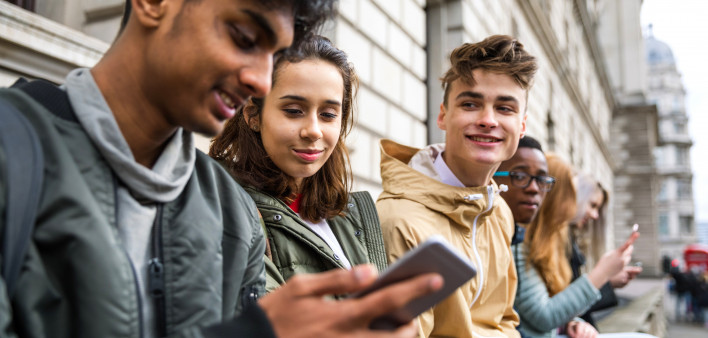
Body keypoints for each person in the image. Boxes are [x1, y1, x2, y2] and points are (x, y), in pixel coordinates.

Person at [0, 0, 443, 337]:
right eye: (244, 37)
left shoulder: (228, 207)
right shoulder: (13, 150)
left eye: (273, 55)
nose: (260, 81)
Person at [376, 35, 538, 338]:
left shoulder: (499, 210)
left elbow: (503, 321)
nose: (488, 120)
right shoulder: (400, 221)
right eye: (470, 104)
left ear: (522, 126)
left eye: (505, 108)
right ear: (443, 115)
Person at [210, 35, 388, 291]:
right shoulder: (223, 205)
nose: (314, 131)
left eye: (328, 115)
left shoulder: (350, 215)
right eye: (293, 111)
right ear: (252, 114)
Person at [511, 154, 638, 338]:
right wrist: (603, 274)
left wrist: (572, 323)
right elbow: (544, 316)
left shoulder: (551, 244)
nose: (575, 208)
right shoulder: (519, 245)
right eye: (572, 197)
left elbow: (554, 306)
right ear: (556, 198)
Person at [494, 135, 554, 338]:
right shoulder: (480, 238)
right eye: (520, 176)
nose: (533, 188)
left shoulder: (516, 237)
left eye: (542, 179)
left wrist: (571, 322)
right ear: (492, 176)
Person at [570, 174, 642, 327]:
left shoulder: (571, 243)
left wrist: (608, 279)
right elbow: (564, 308)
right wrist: (605, 277)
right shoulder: (562, 245)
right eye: (592, 205)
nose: (595, 215)